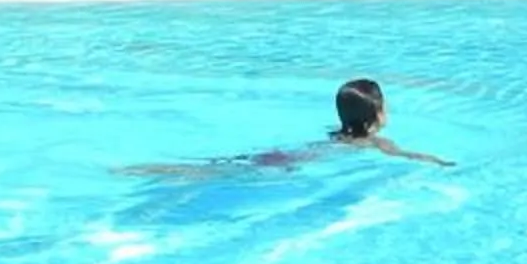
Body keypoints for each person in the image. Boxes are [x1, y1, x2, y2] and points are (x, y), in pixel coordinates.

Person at [125, 76, 452, 177]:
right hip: (291, 163)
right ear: (378, 114)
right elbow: (408, 155)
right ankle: (165, 170)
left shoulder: (336, 135)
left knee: (223, 167)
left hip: (285, 155)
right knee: (222, 173)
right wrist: (440, 163)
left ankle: (155, 168)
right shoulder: (373, 143)